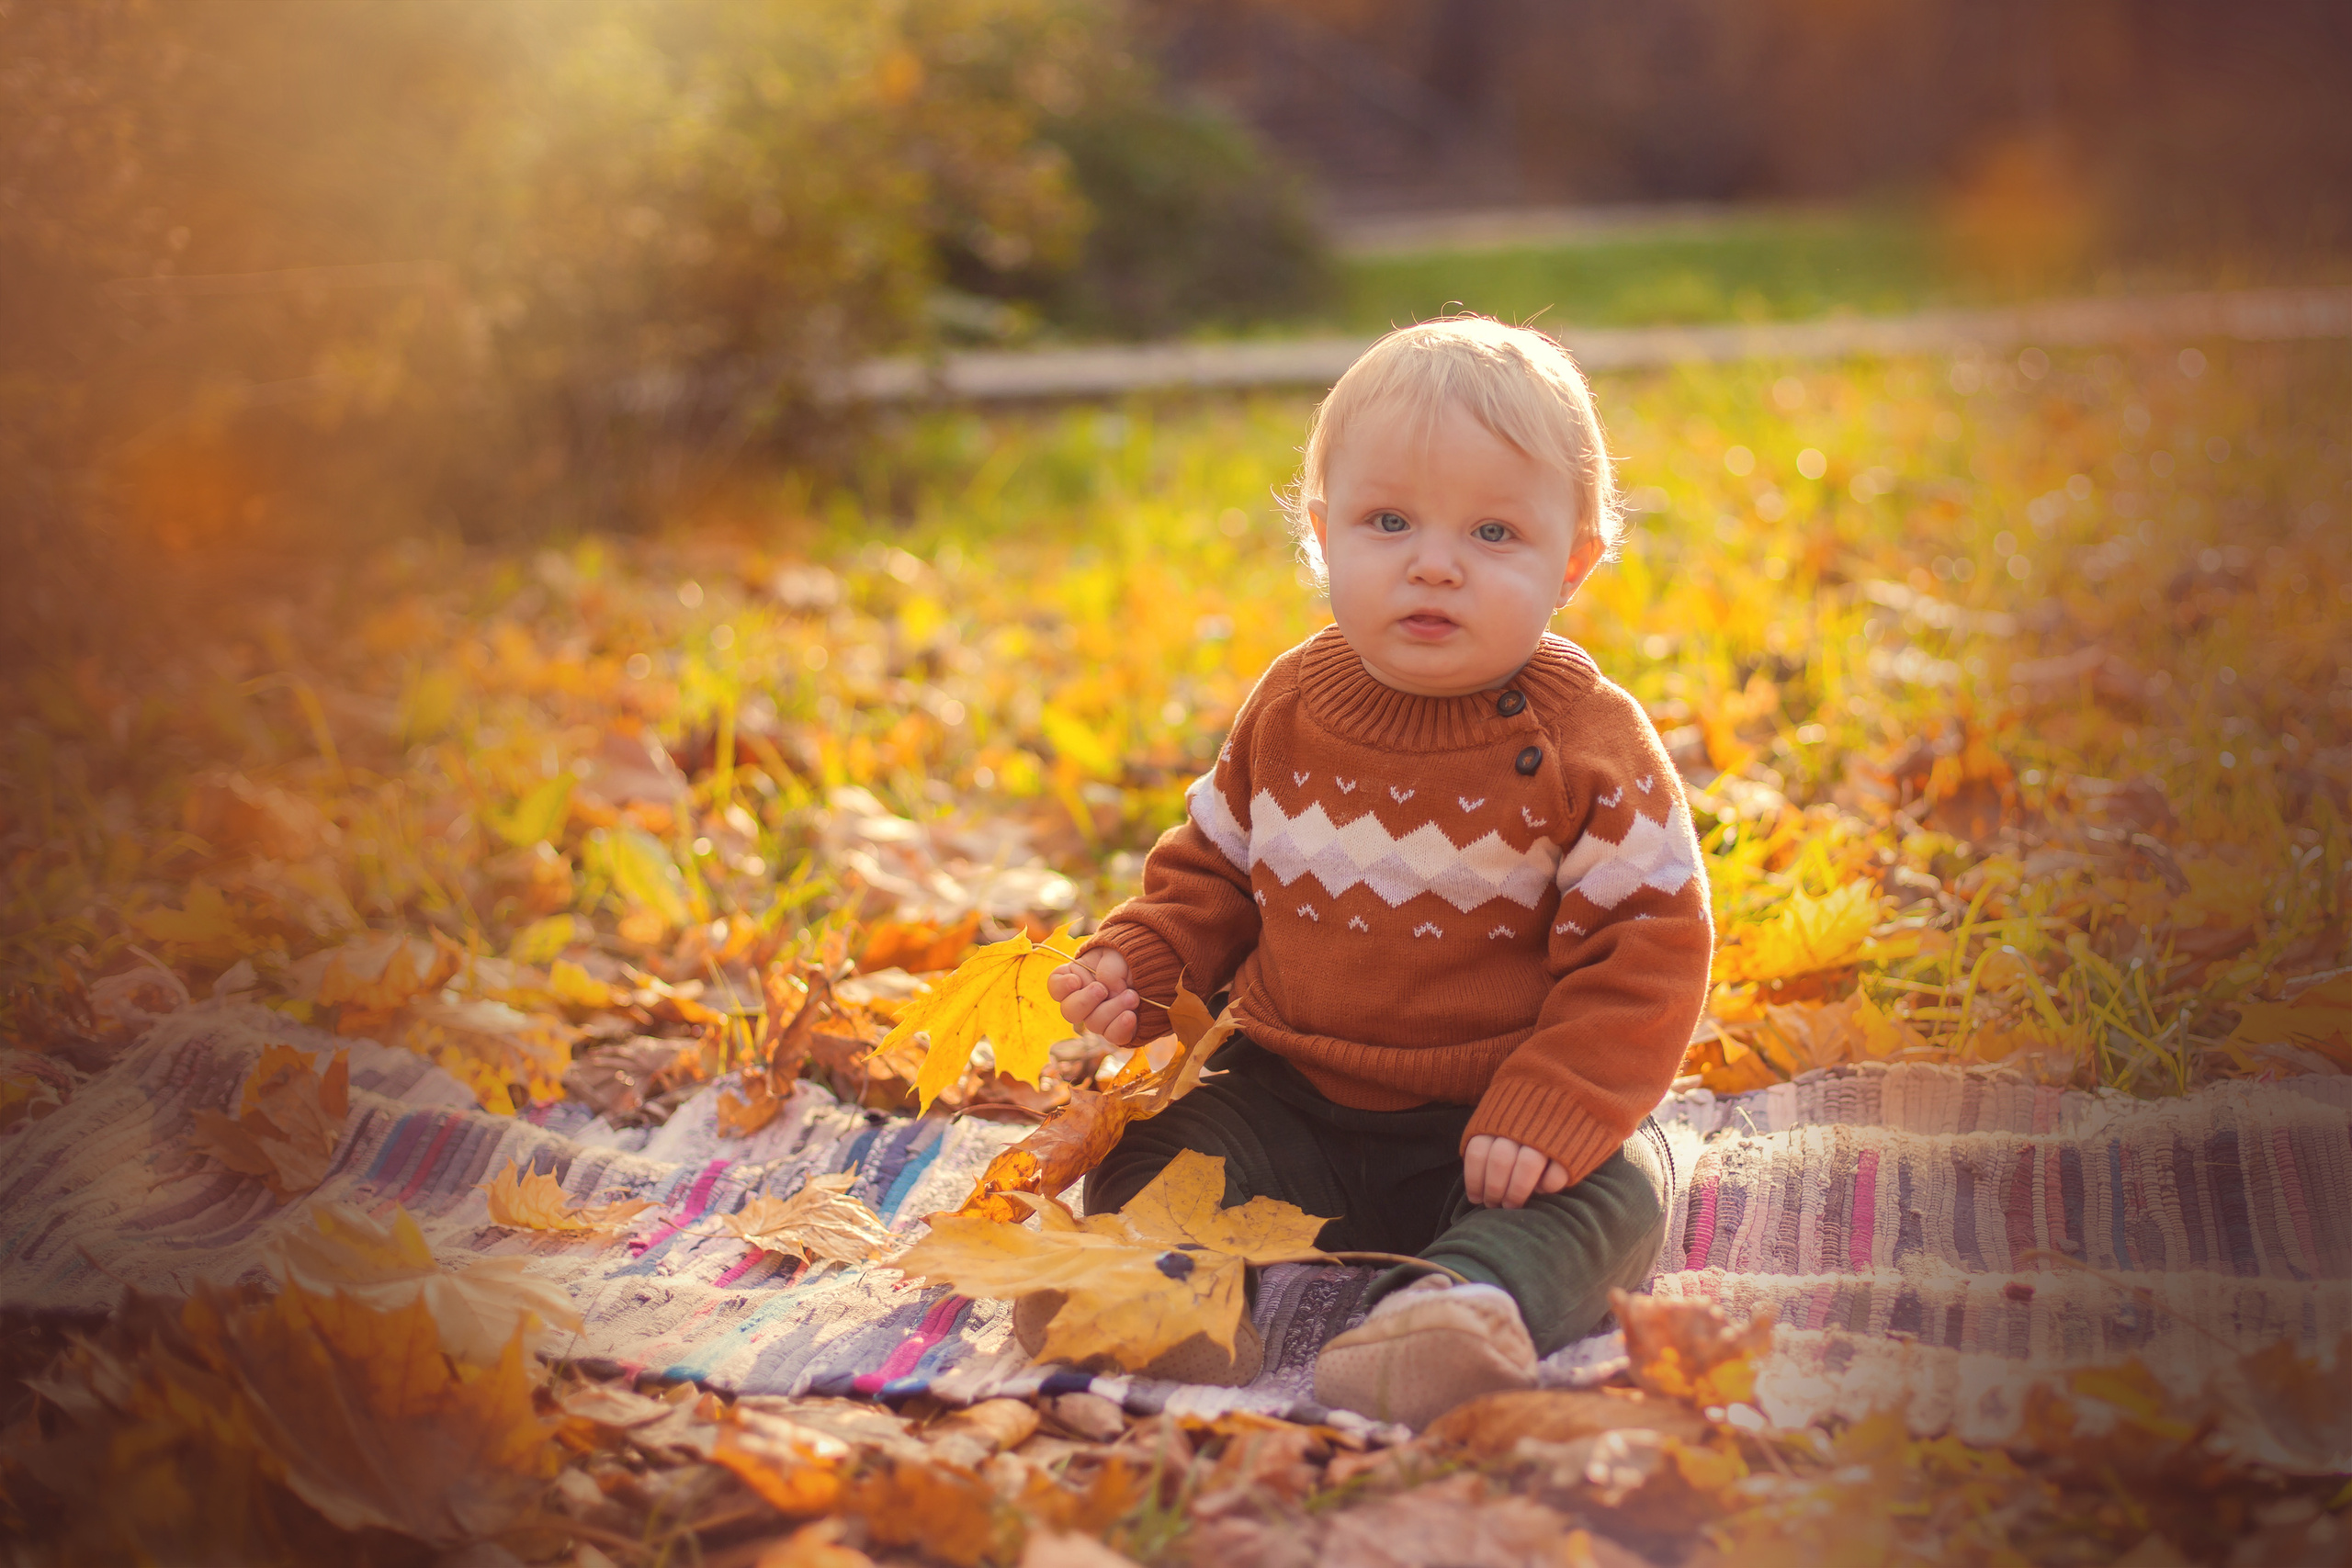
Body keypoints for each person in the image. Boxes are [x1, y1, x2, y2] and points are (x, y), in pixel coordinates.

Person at [1046, 315, 1713, 1428]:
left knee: (1619, 1197)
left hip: (1495, 1126)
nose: (1433, 562)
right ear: (1321, 536)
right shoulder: (1292, 705)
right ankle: (1161, 1293)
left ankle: (1455, 1307)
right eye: (1387, 521)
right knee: (1154, 1152)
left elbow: (1647, 952)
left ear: (1573, 564)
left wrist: (1560, 1101)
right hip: (1288, 1098)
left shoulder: (1592, 745)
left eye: (1493, 532)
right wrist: (1146, 958)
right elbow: (1211, 870)